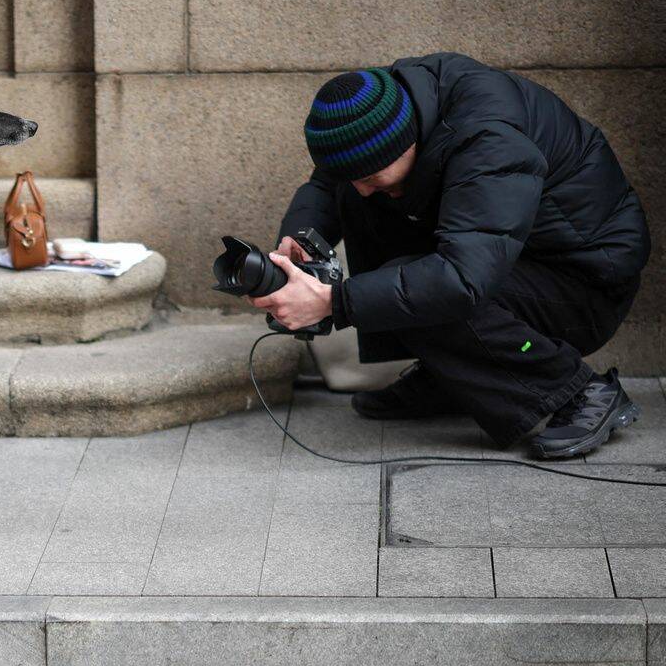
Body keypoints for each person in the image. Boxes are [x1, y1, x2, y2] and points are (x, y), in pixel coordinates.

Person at [257, 53, 649, 458]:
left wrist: (332, 302)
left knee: (426, 283)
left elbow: (463, 279)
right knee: (360, 201)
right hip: (513, 257)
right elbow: (331, 181)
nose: (362, 186)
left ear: (407, 140)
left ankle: (579, 391)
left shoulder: (489, 139)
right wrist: (301, 239)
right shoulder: (392, 107)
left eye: (371, 175)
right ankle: (451, 376)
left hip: (585, 284)